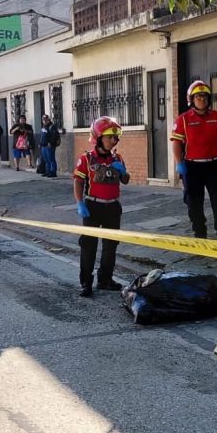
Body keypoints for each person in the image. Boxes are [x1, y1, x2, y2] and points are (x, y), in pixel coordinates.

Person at [171, 79, 217, 241]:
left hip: (213, 166)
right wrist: (179, 163)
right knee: (194, 202)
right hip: (192, 167)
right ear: (191, 99)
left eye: (205, 97)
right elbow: (176, 143)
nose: (202, 100)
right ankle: (200, 233)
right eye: (198, 97)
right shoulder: (183, 119)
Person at [74, 116, 130, 298]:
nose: (114, 140)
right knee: (88, 246)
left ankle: (105, 280)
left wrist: (123, 171)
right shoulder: (86, 159)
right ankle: (86, 283)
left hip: (112, 207)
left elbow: (126, 180)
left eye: (116, 137)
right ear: (98, 138)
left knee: (110, 246)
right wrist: (80, 203)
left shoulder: (118, 158)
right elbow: (78, 182)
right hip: (92, 207)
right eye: (110, 137)